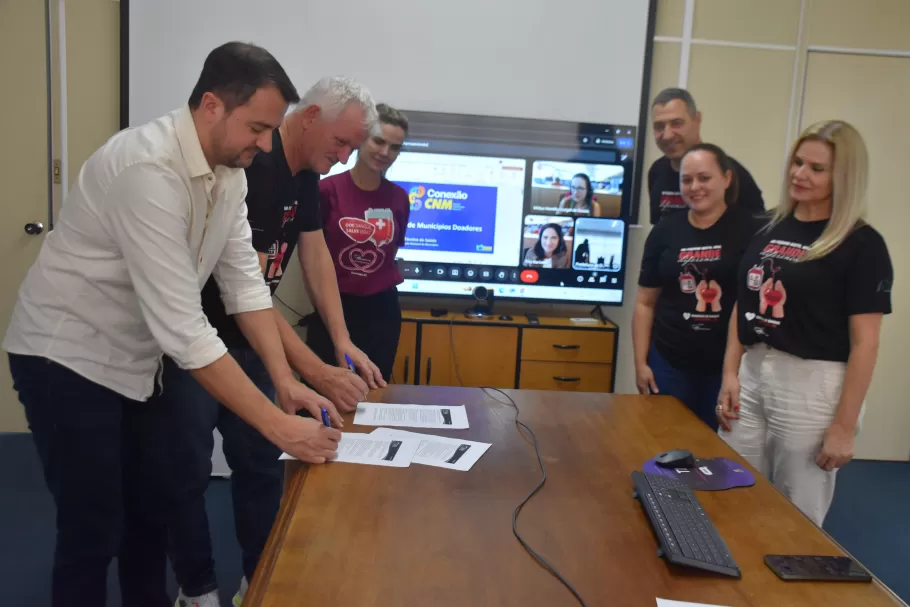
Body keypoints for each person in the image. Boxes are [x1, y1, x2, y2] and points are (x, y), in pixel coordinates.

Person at [2, 42, 342, 607]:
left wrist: (284, 381)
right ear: (211, 105)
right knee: (93, 526)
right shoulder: (146, 167)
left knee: (148, 513)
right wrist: (278, 427)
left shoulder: (230, 175)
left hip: (135, 360)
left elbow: (244, 288)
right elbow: (184, 329)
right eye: (257, 127)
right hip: (65, 356)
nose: (265, 144)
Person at [164, 77, 379, 606]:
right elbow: (247, 291)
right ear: (309, 118)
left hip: (254, 343)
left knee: (262, 463)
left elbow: (315, 253)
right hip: (201, 344)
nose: (346, 155)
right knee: (186, 474)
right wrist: (316, 370)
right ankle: (198, 590)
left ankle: (261, 580)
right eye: (342, 143)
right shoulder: (253, 169)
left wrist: (340, 341)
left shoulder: (306, 172)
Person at [717, 121, 893, 526]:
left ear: (843, 177)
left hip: (812, 384)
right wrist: (730, 372)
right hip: (753, 372)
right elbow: (741, 302)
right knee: (732, 491)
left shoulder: (862, 244)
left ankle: (786, 588)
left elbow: (865, 343)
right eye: (798, 162)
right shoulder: (767, 225)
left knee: (797, 511)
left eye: (817, 168)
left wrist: (844, 428)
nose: (800, 174)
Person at [633, 143, 762, 430]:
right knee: (663, 443)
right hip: (669, 361)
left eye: (704, 178)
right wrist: (641, 363)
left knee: (714, 452)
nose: (695, 187)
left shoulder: (751, 230)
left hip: (726, 367)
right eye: (687, 180)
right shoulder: (664, 231)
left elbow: (749, 304)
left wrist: (732, 372)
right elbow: (645, 302)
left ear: (727, 179)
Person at [306, 104, 411, 381]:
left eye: (395, 147)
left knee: (374, 394)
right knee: (325, 393)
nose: (385, 152)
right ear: (362, 138)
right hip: (334, 309)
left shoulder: (399, 198)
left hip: (382, 311)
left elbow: (389, 252)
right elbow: (312, 255)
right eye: (378, 141)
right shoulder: (326, 191)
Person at [648, 88, 765, 224]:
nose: (667, 135)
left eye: (677, 123)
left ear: (697, 120)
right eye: (659, 126)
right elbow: (658, 230)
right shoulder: (657, 171)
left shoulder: (731, 173)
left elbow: (758, 233)